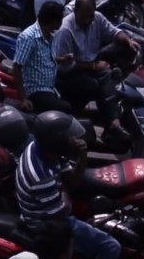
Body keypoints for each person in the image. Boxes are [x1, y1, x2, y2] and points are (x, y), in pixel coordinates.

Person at [16, 111, 120, 259]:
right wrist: (65, 194)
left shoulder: (44, 149)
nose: (73, 139)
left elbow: (70, 180)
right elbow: (61, 215)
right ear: (57, 142)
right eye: (68, 137)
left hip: (48, 209)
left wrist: (83, 155)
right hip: (46, 225)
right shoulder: (41, 177)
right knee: (111, 246)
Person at [53, 0, 141, 143]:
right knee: (94, 85)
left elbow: (113, 32)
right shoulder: (65, 31)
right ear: (75, 12)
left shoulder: (97, 19)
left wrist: (128, 40)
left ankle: (112, 124)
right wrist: (93, 66)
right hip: (69, 73)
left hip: (90, 64)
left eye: (90, 16)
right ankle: (79, 119)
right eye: (83, 17)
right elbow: (64, 65)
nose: (88, 21)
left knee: (108, 75)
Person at [13, 2, 72, 115]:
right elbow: (16, 67)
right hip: (36, 90)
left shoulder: (49, 35)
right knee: (65, 108)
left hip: (50, 87)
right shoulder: (29, 37)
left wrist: (63, 59)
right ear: (54, 21)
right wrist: (23, 99)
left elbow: (45, 58)